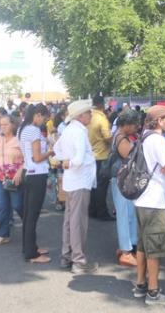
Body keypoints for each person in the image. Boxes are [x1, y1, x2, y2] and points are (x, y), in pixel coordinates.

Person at [132, 105, 165, 306]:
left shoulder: (144, 137)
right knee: (156, 247)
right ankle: (153, 292)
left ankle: (140, 284)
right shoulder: (158, 140)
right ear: (159, 121)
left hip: (141, 199)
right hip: (155, 201)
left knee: (143, 245)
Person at [54, 100, 98, 274]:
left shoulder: (68, 130)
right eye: (88, 112)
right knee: (78, 221)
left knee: (69, 220)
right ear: (81, 115)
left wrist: (64, 161)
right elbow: (78, 160)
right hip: (80, 180)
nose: (91, 115)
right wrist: (70, 162)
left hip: (72, 181)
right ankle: (78, 260)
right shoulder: (79, 132)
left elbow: (56, 150)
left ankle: (67, 256)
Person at [19, 103, 54, 263]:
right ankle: (31, 254)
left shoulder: (23, 128)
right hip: (36, 174)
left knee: (28, 214)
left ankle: (29, 247)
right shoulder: (33, 130)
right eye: (43, 118)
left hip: (28, 172)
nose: (43, 121)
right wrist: (50, 152)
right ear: (38, 115)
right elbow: (37, 157)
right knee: (32, 214)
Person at [110, 109, 141, 267]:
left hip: (121, 180)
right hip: (121, 180)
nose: (137, 127)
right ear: (127, 125)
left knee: (128, 213)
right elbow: (130, 157)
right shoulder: (121, 138)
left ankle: (127, 247)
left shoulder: (120, 135)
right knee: (124, 214)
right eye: (135, 124)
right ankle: (125, 251)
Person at [0, 115, 24, 246]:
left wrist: (20, 171)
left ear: (13, 125)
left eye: (6, 124)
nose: (2, 127)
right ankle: (3, 234)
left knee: (17, 205)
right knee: (2, 206)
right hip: (0, 178)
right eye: (1, 125)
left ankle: (28, 225)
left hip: (15, 178)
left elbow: (28, 158)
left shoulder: (19, 140)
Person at [88, 95, 113, 220]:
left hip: (90, 156)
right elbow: (107, 137)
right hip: (102, 156)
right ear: (102, 105)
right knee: (102, 186)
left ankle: (92, 210)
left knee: (93, 185)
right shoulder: (102, 119)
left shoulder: (89, 117)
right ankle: (102, 212)